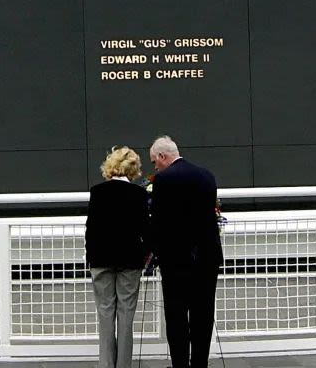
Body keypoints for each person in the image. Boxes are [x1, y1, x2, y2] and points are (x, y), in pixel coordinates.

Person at [148, 135, 223, 368]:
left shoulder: (163, 180)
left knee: (176, 314)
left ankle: (180, 363)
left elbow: (158, 222)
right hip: (206, 257)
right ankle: (200, 363)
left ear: (162, 156)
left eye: (154, 161)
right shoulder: (207, 175)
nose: (155, 166)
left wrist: (153, 250)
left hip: (176, 259)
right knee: (203, 313)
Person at [85, 146, 150, 368]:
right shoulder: (139, 194)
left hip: (101, 259)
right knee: (126, 316)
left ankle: (106, 364)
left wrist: (90, 257)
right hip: (130, 260)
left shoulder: (97, 192)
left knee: (105, 314)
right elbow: (145, 230)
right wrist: (146, 255)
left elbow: (91, 229)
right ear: (133, 169)